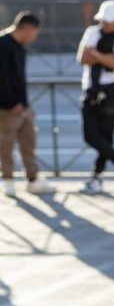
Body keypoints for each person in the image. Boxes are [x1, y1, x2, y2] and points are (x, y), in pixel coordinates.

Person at [76, 0, 114, 194]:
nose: (105, 24)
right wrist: (104, 57)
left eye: (109, 20)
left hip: (111, 91)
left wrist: (96, 55)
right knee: (90, 135)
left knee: (105, 135)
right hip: (90, 89)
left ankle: (96, 177)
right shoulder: (92, 32)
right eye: (103, 20)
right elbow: (82, 58)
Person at [0, 12, 54, 197]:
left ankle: (32, 179)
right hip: (6, 107)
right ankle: (7, 180)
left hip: (21, 106)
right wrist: (10, 102)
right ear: (27, 28)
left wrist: (26, 106)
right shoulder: (2, 44)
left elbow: (19, 79)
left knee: (28, 141)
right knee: (6, 144)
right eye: (34, 32)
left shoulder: (20, 48)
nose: (34, 37)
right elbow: (2, 78)